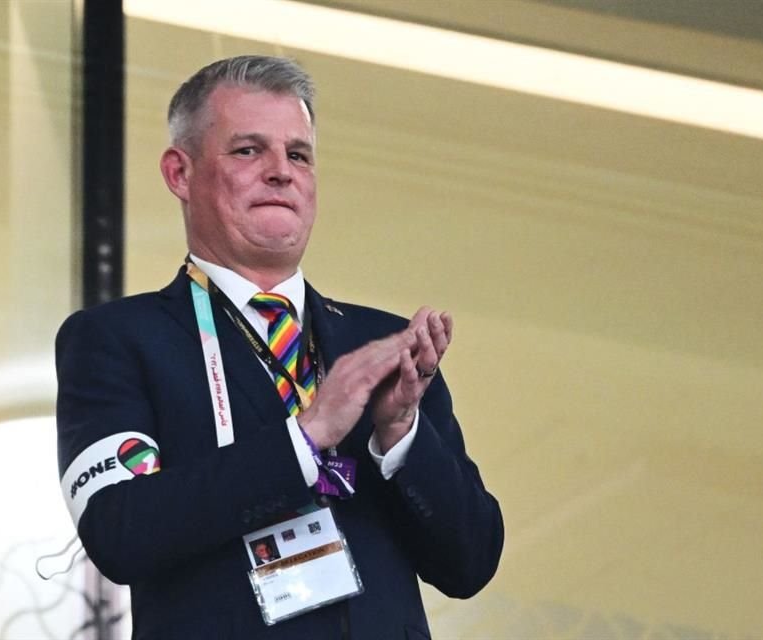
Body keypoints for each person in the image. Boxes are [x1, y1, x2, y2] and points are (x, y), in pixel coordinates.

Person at [56, 55, 504, 639]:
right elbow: (118, 532)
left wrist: (399, 436)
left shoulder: (386, 345)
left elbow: (471, 562)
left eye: (298, 154)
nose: (280, 171)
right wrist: (306, 437)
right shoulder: (119, 339)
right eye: (248, 150)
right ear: (179, 173)